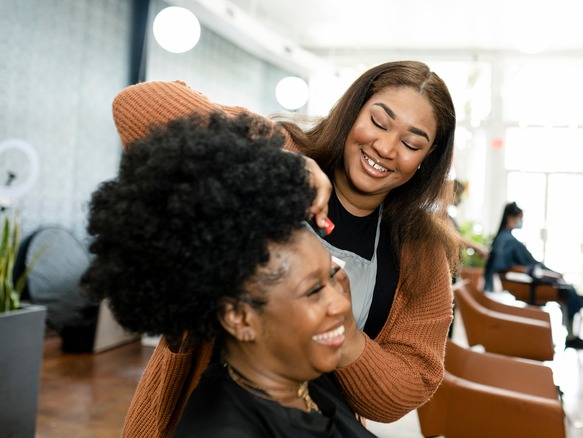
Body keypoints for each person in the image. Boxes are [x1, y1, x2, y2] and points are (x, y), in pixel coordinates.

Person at [111, 60, 461, 435]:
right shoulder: (278, 149)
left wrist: (348, 340)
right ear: (353, 112)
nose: (386, 147)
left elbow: (410, 385)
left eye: (411, 144)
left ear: (427, 158)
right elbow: (135, 106)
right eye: (378, 121)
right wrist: (273, 165)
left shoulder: (421, 251)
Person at [80, 112, 376, 437]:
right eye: (313, 290)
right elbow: (135, 104)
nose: (342, 305)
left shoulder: (303, 382)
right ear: (239, 317)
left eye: (332, 276)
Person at [483, 202, 583, 349]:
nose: (521, 222)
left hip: (531, 277)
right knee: (568, 291)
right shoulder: (507, 240)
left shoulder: (504, 238)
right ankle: (571, 336)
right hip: (528, 284)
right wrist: (542, 273)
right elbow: (510, 267)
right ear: (511, 218)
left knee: (568, 289)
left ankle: (572, 333)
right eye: (520, 218)